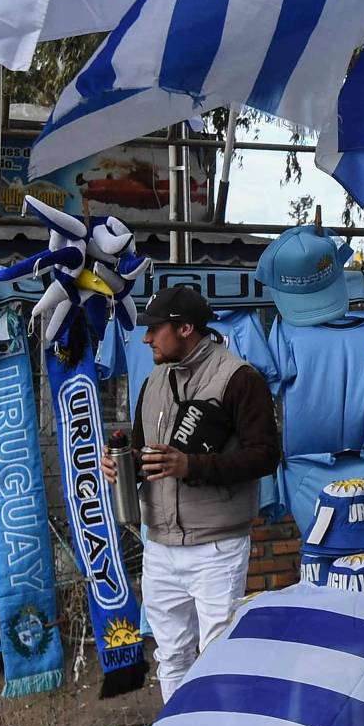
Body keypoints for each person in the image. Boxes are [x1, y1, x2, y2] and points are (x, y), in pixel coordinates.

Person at [99, 283, 279, 703]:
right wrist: (120, 464)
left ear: (185, 329)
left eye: (154, 329)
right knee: (171, 656)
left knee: (219, 656)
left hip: (216, 544)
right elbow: (146, 453)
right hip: (159, 542)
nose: (145, 338)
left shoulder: (240, 378)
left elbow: (266, 456)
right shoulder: (153, 382)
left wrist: (192, 465)